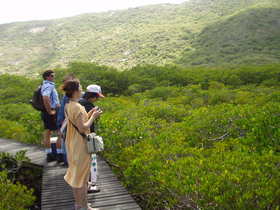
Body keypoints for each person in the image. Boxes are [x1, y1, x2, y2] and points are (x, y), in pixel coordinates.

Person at [63, 80, 102, 210]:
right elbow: (82, 127)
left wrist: (89, 114)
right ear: (75, 91)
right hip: (80, 145)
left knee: (76, 176)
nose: (82, 90)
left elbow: (77, 121)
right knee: (83, 178)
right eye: (80, 88)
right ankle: (85, 206)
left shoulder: (69, 105)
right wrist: (94, 116)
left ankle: (79, 204)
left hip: (72, 143)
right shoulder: (78, 107)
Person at [79, 84, 105, 193]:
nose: (97, 99)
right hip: (87, 137)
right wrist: (95, 115)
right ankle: (91, 184)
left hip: (78, 138)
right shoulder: (87, 105)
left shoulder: (79, 103)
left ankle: (85, 183)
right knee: (91, 160)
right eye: (97, 97)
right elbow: (86, 123)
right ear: (93, 96)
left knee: (84, 162)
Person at [41, 70, 63, 162]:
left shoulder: (44, 85)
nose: (54, 77)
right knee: (59, 132)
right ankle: (59, 155)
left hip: (46, 112)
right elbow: (45, 98)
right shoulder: (48, 86)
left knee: (47, 132)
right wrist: (50, 111)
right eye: (52, 75)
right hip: (52, 112)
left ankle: (49, 154)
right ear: (47, 77)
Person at [57, 74, 77, 166]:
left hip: (64, 122)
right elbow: (65, 113)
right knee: (67, 142)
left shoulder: (65, 96)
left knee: (66, 141)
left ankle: (66, 160)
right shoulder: (68, 97)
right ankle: (68, 161)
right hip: (67, 123)